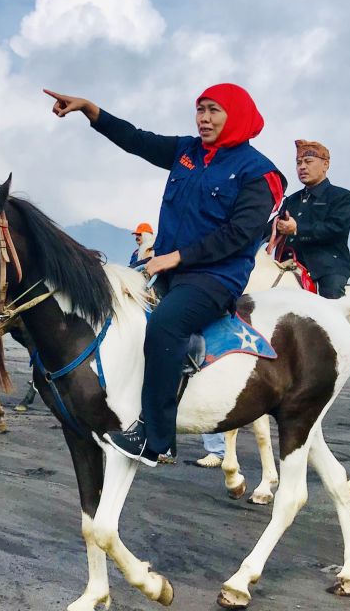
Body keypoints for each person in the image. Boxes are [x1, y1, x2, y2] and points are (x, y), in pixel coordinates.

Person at [45, 84, 285, 466]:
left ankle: (156, 439)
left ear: (235, 115)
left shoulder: (261, 173)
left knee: (165, 327)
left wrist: (176, 257)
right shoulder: (187, 152)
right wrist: (91, 109)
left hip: (214, 278)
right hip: (169, 268)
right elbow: (136, 140)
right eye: (200, 110)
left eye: (213, 111)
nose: (203, 118)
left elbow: (240, 234)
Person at [273, 140, 350, 299]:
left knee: (331, 306)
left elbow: (336, 228)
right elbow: (270, 228)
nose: (302, 167)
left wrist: (297, 229)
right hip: (288, 266)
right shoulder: (292, 200)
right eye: (298, 163)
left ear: (326, 165)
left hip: (327, 268)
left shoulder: (341, 196)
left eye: (308, 161)